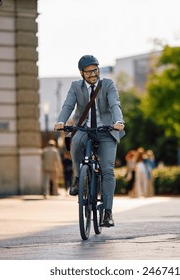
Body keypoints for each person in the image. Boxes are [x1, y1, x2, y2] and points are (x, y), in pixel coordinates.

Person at [54, 55, 125, 227]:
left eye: (95, 70)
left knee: (108, 170)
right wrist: (61, 121)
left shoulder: (107, 84)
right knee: (76, 143)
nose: (93, 74)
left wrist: (119, 121)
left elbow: (115, 104)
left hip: (106, 130)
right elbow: (68, 106)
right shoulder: (75, 87)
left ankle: (107, 213)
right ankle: (78, 178)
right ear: (82, 73)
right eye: (89, 71)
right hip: (84, 128)